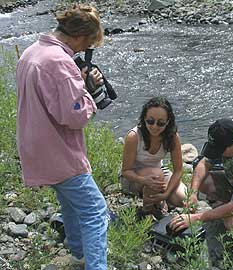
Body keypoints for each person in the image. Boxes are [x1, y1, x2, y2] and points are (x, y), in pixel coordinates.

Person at [16, 4, 107, 270]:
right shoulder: (59, 61)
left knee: (70, 203)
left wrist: (74, 83)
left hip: (35, 148)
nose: (84, 50)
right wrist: (87, 90)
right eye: (88, 44)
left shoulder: (33, 52)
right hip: (59, 153)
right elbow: (75, 116)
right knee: (95, 211)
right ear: (79, 37)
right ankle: (96, 266)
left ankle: (78, 254)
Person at [121, 97, 187, 218]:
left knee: (182, 199)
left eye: (160, 123)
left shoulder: (172, 137)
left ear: (168, 122)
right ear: (144, 119)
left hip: (159, 172)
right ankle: (148, 210)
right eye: (150, 121)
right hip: (133, 178)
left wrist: (167, 193)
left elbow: (178, 170)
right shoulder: (134, 136)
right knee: (156, 176)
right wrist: (143, 180)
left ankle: (160, 199)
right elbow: (125, 171)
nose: (155, 126)